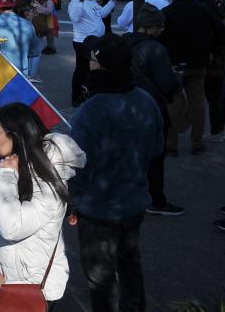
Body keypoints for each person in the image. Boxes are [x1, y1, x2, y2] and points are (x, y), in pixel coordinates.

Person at [70, 33, 163, 312]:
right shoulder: (146, 101)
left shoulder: (90, 111)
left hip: (98, 210)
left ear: (102, 65)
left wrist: (74, 201)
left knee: (101, 278)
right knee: (131, 265)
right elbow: (157, 150)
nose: (90, 64)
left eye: (93, 60)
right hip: (134, 201)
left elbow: (76, 166)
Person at [0, 103, 86, 307]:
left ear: (15, 135)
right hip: (6, 278)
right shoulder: (16, 167)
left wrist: (5, 175)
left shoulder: (46, 178)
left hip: (31, 288)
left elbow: (11, 226)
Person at [124, 4, 185, 216]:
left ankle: (131, 192)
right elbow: (166, 84)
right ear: (151, 27)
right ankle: (156, 200)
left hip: (126, 104)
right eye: (160, 26)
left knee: (131, 152)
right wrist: (177, 78)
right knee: (155, 156)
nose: (162, 30)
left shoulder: (124, 42)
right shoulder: (156, 49)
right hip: (152, 107)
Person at [159, 0, 225, 155]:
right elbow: (220, 32)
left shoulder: (166, 13)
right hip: (198, 62)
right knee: (197, 102)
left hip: (174, 65)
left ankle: (171, 145)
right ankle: (197, 142)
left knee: (173, 103)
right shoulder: (203, 9)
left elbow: (159, 39)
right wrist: (212, 51)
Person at [0, 0, 42, 103]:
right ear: (13, 4)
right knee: (18, 110)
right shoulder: (27, 24)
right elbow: (35, 51)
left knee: (1, 112)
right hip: (20, 76)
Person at [68, 0, 115, 107]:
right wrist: (80, 2)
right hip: (83, 42)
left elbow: (101, 14)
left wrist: (112, 2)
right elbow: (75, 17)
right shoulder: (76, 1)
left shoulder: (92, 1)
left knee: (91, 69)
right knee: (82, 69)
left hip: (94, 40)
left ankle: (89, 92)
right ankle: (76, 96)